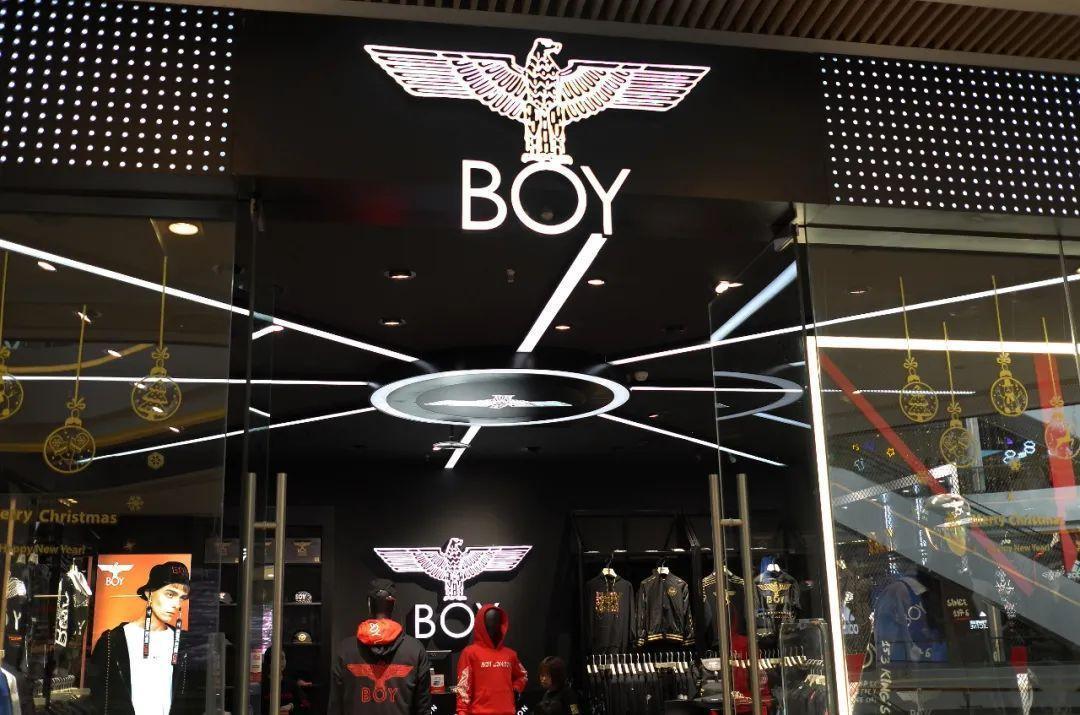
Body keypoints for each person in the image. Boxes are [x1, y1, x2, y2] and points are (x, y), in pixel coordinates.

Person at [89, 561, 198, 714]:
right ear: (149, 593)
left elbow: (192, 699)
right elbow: (98, 697)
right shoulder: (111, 641)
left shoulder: (184, 643)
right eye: (170, 594)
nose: (177, 604)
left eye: (182, 597)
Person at [261, 650, 312, 715]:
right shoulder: (262, 684)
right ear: (269, 662)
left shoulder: (291, 683)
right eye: (278, 658)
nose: (282, 662)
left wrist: (291, 706)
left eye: (283, 658)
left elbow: (306, 704)